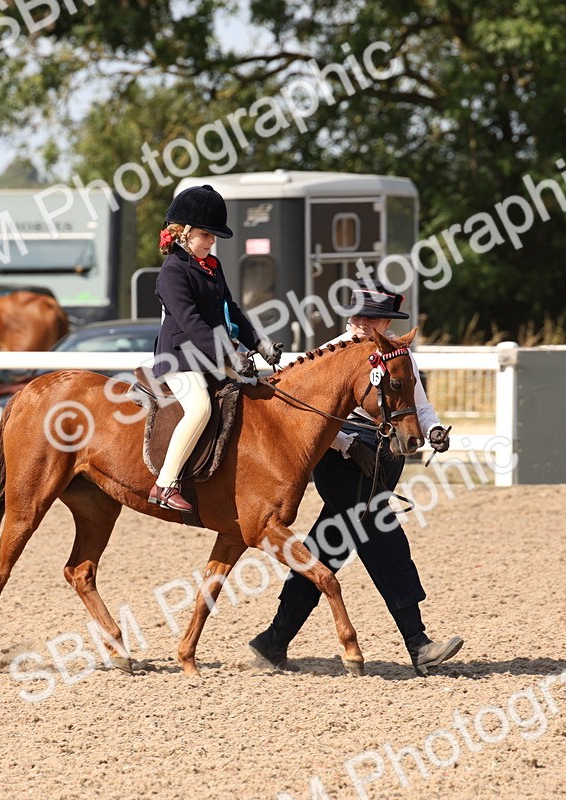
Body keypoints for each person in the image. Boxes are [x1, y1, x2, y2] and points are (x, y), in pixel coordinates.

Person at [248, 285, 462, 676]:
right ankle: (418, 643)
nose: (361, 326)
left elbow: (418, 404)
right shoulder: (334, 353)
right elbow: (310, 416)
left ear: (385, 324)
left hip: (383, 455)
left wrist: (432, 431)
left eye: (370, 320)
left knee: (331, 544)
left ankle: (274, 640)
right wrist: (347, 445)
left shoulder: (397, 353)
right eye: (358, 319)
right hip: (341, 455)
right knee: (381, 535)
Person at [149, 184, 283, 511]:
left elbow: (232, 310)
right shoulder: (173, 272)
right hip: (180, 359)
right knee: (200, 408)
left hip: (212, 355)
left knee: (259, 393)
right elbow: (192, 322)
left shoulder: (213, 267)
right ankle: (165, 484)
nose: (212, 242)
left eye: (213, 237)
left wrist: (260, 344)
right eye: (207, 235)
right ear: (183, 234)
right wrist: (230, 354)